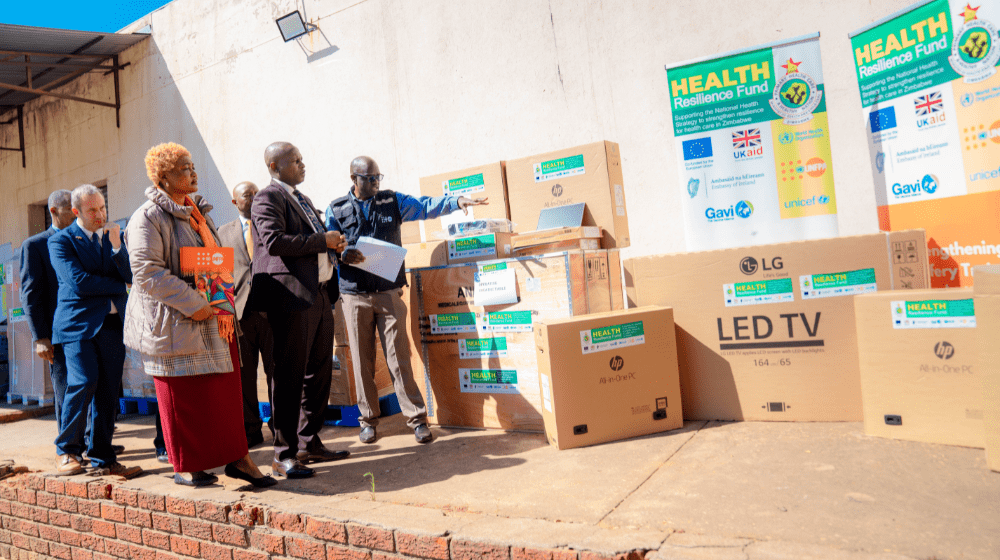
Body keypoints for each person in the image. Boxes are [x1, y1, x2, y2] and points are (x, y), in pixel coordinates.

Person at [123, 142, 274, 488]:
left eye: (192, 166)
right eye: (184, 168)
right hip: (175, 322)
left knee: (223, 393)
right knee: (184, 399)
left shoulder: (198, 213)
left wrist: (220, 300)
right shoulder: (147, 217)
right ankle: (186, 465)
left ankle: (239, 459)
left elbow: (212, 260)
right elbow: (147, 273)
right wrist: (196, 302)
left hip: (213, 317)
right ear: (163, 177)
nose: (193, 173)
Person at [325, 156, 487, 444]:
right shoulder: (335, 209)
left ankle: (417, 419)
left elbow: (424, 206)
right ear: (354, 179)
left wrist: (455, 202)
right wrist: (340, 255)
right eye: (370, 178)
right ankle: (368, 421)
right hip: (354, 295)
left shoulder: (392, 201)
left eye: (378, 177)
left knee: (398, 357)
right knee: (362, 361)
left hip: (388, 292)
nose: (376, 182)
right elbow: (326, 246)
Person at [249, 142, 350, 479]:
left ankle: (308, 441)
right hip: (290, 295)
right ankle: (283, 454)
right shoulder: (267, 198)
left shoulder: (302, 200)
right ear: (275, 166)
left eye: (302, 159)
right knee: (289, 375)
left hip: (319, 293)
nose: (303, 164)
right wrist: (323, 241)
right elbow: (275, 242)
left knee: (319, 372)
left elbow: (315, 240)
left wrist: (334, 244)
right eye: (295, 160)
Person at [48, 185, 139, 477]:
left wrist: (116, 248)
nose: (100, 215)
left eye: (102, 208)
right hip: (77, 325)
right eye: (92, 210)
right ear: (76, 212)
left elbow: (130, 275)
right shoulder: (62, 241)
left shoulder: (113, 237)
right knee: (84, 381)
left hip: (112, 325)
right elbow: (78, 282)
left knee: (109, 390)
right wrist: (121, 287)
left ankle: (103, 456)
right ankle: (67, 450)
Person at [218, 181, 275, 448]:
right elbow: (218, 275)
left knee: (277, 373)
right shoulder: (221, 233)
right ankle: (251, 429)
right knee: (245, 375)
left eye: (256, 193)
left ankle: (281, 426)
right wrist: (222, 312)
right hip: (240, 315)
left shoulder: (272, 225)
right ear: (234, 202)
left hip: (273, 311)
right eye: (247, 195)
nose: (253, 198)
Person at [20, 190, 76, 433]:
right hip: (58, 332)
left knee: (93, 389)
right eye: (70, 211)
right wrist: (40, 337)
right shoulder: (35, 245)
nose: (76, 216)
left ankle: (93, 442)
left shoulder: (83, 240)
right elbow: (31, 294)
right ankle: (68, 447)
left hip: (89, 328)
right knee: (66, 389)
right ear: (53, 211)